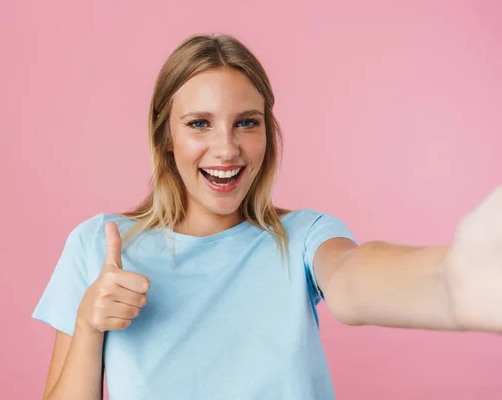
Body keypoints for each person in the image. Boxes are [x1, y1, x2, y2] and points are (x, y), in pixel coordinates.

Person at [32, 33, 502, 400]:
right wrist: (90, 325)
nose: (227, 148)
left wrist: (450, 280)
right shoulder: (100, 245)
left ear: (267, 132)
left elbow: (353, 278)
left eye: (246, 122)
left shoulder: (302, 237)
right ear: (165, 137)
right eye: (200, 123)